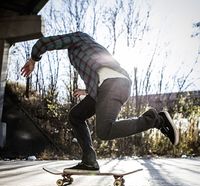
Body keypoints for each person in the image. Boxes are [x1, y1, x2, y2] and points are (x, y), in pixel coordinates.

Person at [21, 31, 179, 171]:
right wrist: (88, 90)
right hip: (108, 88)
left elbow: (44, 43)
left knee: (105, 131)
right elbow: (100, 71)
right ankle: (89, 160)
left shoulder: (78, 38)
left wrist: (33, 59)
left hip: (113, 85)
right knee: (76, 115)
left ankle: (155, 120)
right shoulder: (91, 47)